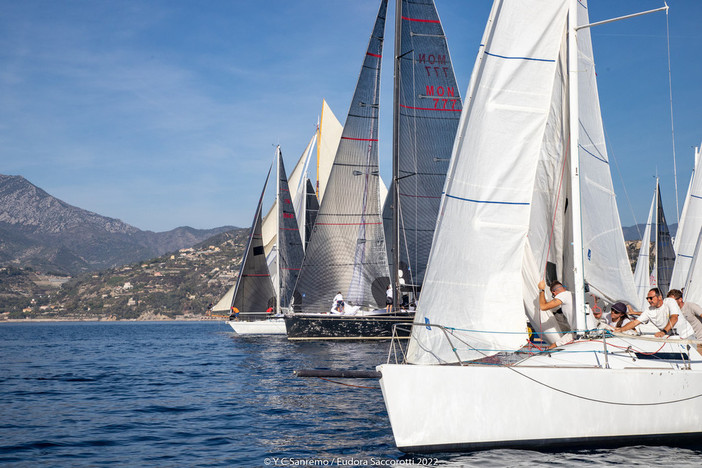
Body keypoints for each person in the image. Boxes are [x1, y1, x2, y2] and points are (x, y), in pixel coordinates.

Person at [615, 288, 695, 339]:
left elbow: (674, 318)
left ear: (659, 297)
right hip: (672, 336)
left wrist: (663, 332)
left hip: (686, 335)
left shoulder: (670, 301)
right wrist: (621, 329)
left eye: (651, 298)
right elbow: (635, 322)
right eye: (647, 298)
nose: (649, 300)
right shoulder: (649, 310)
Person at [538, 280, 575, 348]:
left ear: (554, 293)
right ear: (564, 288)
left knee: (552, 348)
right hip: (593, 330)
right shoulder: (574, 294)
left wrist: (541, 289)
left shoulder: (563, 295)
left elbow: (543, 307)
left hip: (579, 332)